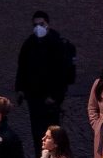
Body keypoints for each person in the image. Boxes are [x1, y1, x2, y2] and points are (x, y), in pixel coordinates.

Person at [15, 11, 79, 147]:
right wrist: (20, 89)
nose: (38, 27)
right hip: (33, 97)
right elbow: (22, 67)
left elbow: (63, 75)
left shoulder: (58, 45)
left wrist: (55, 96)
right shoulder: (29, 44)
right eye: (35, 24)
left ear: (47, 24)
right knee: (37, 133)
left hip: (50, 99)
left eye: (41, 24)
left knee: (51, 135)